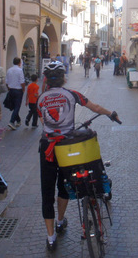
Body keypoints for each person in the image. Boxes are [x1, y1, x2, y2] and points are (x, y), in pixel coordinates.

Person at [37, 61, 119, 251]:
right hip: (68, 147)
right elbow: (95, 107)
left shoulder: (41, 99)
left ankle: (50, 238)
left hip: (48, 149)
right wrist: (110, 113)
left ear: (46, 80)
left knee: (47, 192)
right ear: (64, 78)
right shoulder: (72, 95)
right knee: (65, 185)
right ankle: (60, 220)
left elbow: (44, 122)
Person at [5, 57, 25, 130]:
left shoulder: (9, 70)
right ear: (19, 63)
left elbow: (6, 81)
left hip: (11, 90)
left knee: (14, 106)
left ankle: (18, 120)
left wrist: (8, 88)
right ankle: (11, 121)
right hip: (18, 90)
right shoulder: (20, 70)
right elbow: (22, 81)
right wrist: (23, 89)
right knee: (17, 106)